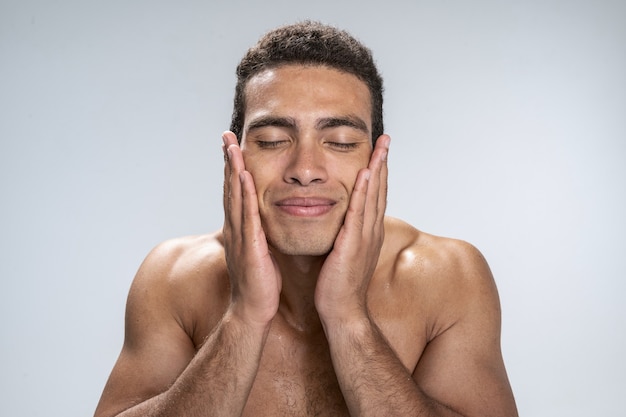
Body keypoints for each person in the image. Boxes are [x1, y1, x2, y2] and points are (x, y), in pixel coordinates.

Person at [94, 21, 518, 417]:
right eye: (273, 140)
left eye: (340, 141)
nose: (306, 168)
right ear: (234, 156)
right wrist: (244, 318)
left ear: (376, 158)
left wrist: (349, 318)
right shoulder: (174, 277)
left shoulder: (448, 277)